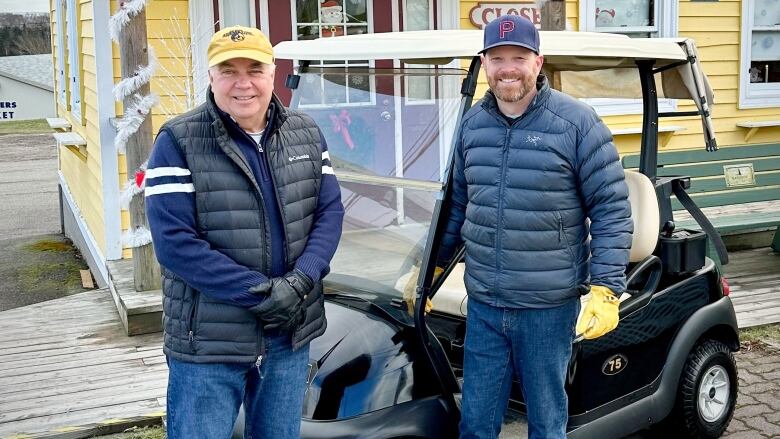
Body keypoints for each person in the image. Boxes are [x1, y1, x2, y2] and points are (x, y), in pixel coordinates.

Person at [436, 15, 634, 439]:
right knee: (475, 423)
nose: (508, 67)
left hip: (547, 307)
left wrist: (606, 288)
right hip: (485, 301)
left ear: (538, 62)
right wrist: (431, 271)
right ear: (485, 64)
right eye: (497, 57)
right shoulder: (472, 125)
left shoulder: (577, 123)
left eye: (519, 57)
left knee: (546, 424)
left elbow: (612, 208)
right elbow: (457, 204)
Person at [144, 25, 344, 438]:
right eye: (228, 70)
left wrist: (301, 279)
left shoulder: (305, 133)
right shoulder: (177, 140)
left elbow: (329, 212)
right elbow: (175, 244)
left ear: (272, 73)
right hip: (210, 344)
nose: (243, 83)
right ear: (212, 78)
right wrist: (260, 293)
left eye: (254, 69)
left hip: (288, 335)